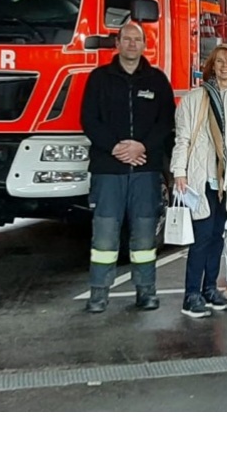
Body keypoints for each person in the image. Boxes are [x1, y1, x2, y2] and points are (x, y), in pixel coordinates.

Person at [80, 22, 175, 314]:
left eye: (138, 39)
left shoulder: (157, 80)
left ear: (144, 44)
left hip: (146, 170)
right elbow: (89, 120)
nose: (132, 44)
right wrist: (116, 148)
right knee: (105, 235)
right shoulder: (99, 79)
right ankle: (99, 294)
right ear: (117, 43)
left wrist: (142, 147)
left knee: (145, 236)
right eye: (127, 39)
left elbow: (166, 122)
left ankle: (146, 291)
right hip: (109, 170)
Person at [171, 43, 227, 319]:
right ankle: (191, 295)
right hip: (200, 179)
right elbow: (182, 138)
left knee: (217, 237)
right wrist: (179, 172)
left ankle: (210, 289)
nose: (224, 66)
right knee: (201, 237)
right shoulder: (195, 98)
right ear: (211, 66)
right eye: (219, 61)